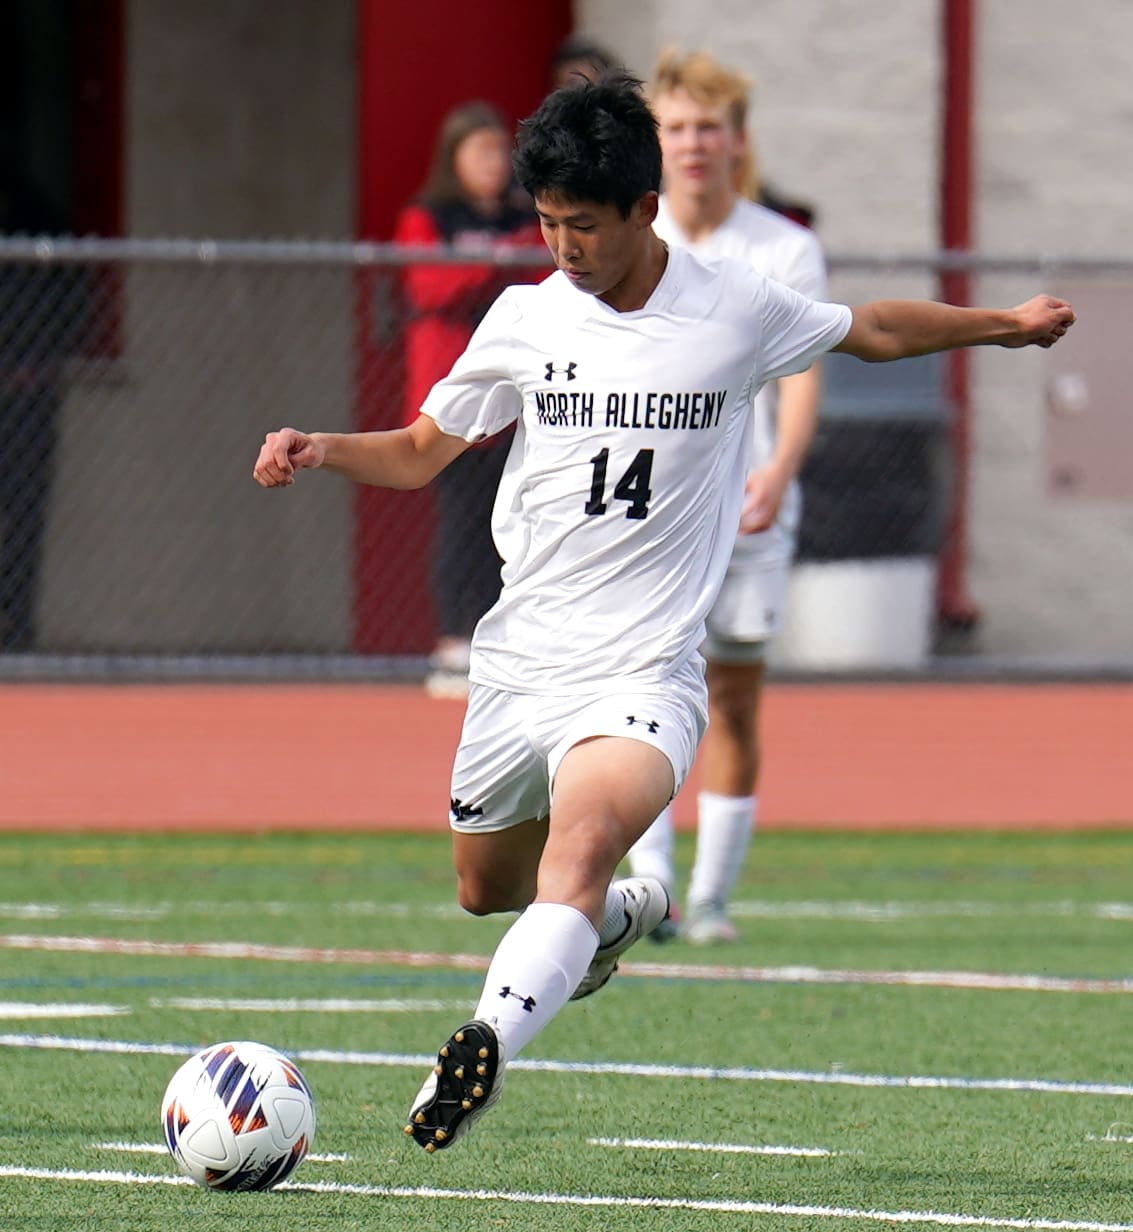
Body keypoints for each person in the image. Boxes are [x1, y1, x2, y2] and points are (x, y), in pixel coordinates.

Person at [252, 73, 1073, 1153]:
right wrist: (320, 447)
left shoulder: (731, 307)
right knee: (485, 889)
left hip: (642, 673)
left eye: (583, 225)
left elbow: (869, 328)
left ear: (643, 208)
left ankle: (484, 1042)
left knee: (584, 844)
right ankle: (617, 922)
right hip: (519, 664)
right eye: (547, 223)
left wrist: (1002, 326)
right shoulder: (526, 317)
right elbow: (417, 451)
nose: (563, 247)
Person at [626, 49, 829, 944]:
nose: (692, 143)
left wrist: (777, 470)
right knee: (638, 695)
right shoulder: (631, 237)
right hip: (648, 515)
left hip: (745, 513)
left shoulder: (782, 247)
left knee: (734, 699)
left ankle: (710, 898)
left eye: (708, 126)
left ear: (737, 140)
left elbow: (805, 374)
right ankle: (650, 890)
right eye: (675, 127)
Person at [394, 101, 544, 696]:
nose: (493, 163)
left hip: (518, 393)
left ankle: (499, 642)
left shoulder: (525, 217)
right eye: (479, 151)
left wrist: (503, 260)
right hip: (453, 394)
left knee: (510, 520)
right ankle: (454, 641)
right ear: (452, 158)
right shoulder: (429, 217)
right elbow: (429, 285)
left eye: (499, 151)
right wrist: (496, 262)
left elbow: (544, 280)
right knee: (460, 522)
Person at [0, 172, 89, 651]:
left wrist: (45, 356)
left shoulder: (36, 214)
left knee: (24, 515)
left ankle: (17, 631)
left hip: (26, 397)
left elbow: (78, 298)